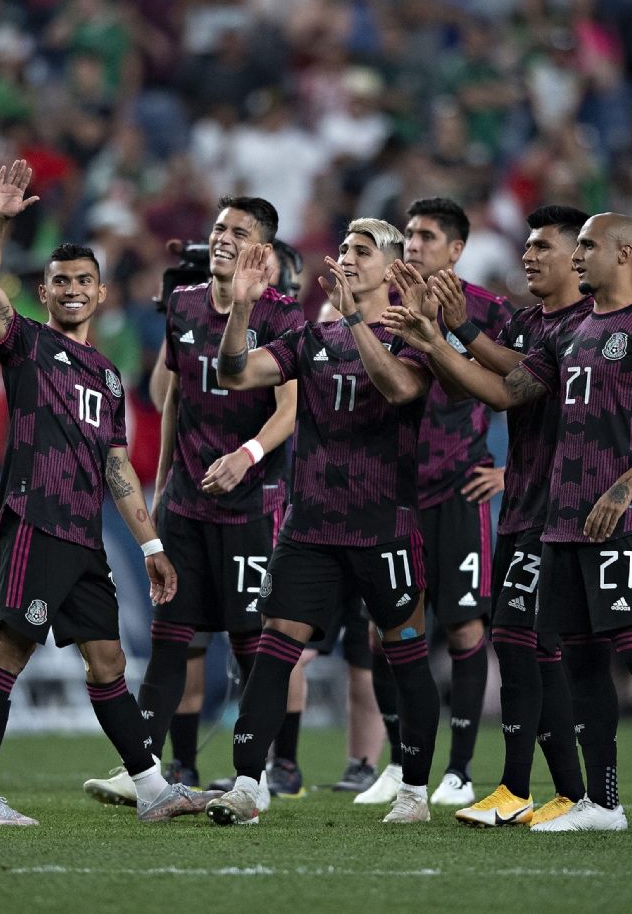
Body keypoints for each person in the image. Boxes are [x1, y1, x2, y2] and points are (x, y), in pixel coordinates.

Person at [389, 212, 632, 834]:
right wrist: (442, 336)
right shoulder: (569, 333)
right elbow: (508, 389)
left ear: (622, 253)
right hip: (561, 521)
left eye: (585, 246)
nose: (575, 257)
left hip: (625, 516)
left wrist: (627, 485)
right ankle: (602, 802)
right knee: (582, 660)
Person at [0, 161, 214, 827]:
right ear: (43, 292)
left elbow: (118, 467)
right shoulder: (26, 346)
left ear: (100, 294)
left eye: (83, 282)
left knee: (107, 659)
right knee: (10, 650)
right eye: (61, 281)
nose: (72, 290)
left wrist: (150, 542)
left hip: (82, 533)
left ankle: (153, 789)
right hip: (35, 518)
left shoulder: (106, 373)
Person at [205, 221, 442, 825]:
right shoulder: (307, 338)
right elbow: (234, 373)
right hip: (309, 529)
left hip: (384, 527)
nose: (346, 260)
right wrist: (240, 310)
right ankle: (248, 784)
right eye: (343, 251)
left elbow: (396, 389)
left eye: (362, 252)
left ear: (390, 269)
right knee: (274, 651)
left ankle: (414, 789)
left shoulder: (414, 335)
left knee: (404, 654)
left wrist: (356, 319)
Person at [81, 197, 303, 804]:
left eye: (239, 231)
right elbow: (172, 399)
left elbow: (288, 411)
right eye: (219, 228)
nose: (224, 237)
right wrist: (158, 490)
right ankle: (145, 774)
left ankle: (252, 780)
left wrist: (247, 456)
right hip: (185, 505)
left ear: (263, 248)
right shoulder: (182, 305)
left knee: (251, 643)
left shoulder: (286, 316)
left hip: (252, 505)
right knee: (171, 637)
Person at [395, 204, 593, 828]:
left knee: (571, 647)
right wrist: (438, 337)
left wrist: (450, 333)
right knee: (524, 642)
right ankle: (550, 791)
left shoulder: (584, 326)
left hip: (558, 506)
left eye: (543, 247)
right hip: (519, 507)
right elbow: (466, 384)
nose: (528, 255)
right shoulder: (530, 321)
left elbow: (513, 389)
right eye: (527, 246)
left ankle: (631, 793)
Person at [353, 197, 512, 809]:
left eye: (427, 236)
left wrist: (511, 470)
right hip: (392, 493)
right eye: (410, 234)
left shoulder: (488, 312)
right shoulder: (380, 305)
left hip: (459, 489)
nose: (414, 244)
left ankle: (461, 771)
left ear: (456, 249)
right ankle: (400, 764)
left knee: (466, 623)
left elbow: (533, 389)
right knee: (386, 627)